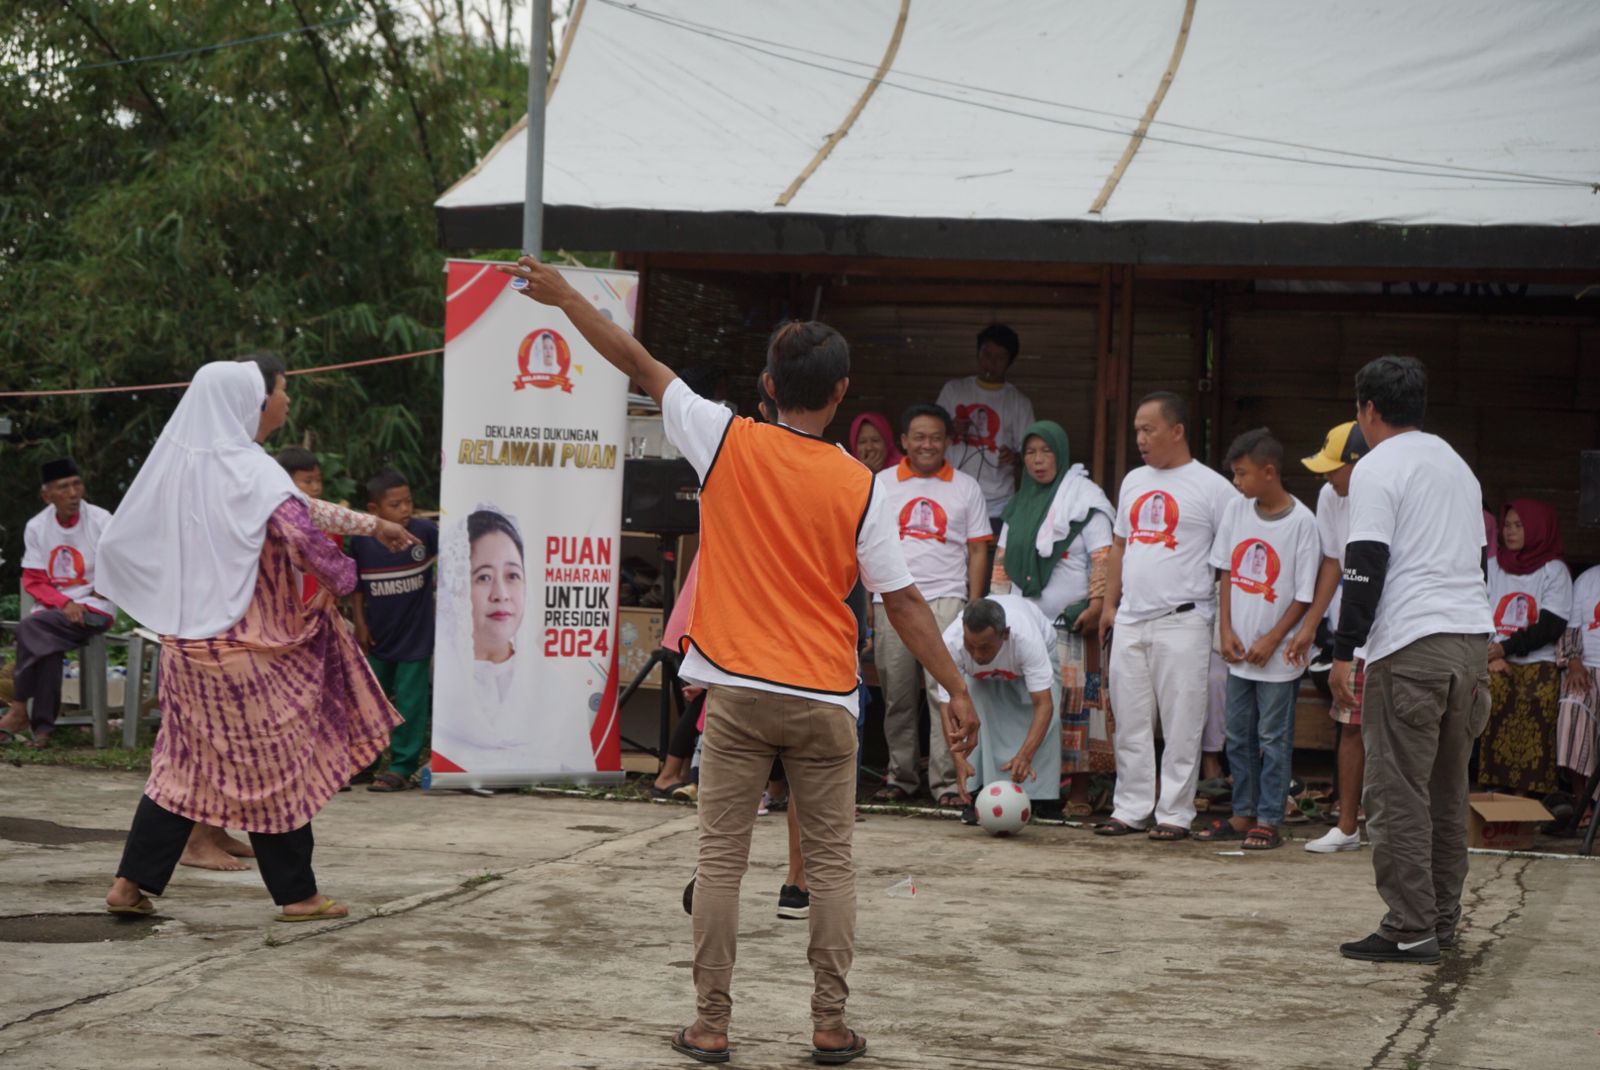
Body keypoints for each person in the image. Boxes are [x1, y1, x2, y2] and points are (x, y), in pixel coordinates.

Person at [501, 254, 979, 1067]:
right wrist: (955, 686)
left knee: (720, 862)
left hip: (738, 694)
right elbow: (900, 602)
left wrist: (560, 298)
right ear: (840, 391)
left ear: (768, 382)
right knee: (829, 868)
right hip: (827, 699)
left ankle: (711, 1025)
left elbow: (635, 358)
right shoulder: (864, 485)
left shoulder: (724, 438)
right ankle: (829, 1026)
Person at [95, 357, 418, 921]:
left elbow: (298, 509)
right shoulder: (251, 468)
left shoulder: (183, 469)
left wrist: (371, 525)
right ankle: (299, 895)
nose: (286, 401)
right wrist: (341, 579)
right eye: (280, 391)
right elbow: (300, 531)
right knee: (280, 767)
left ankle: (130, 885)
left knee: (182, 768)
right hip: (248, 652)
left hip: (187, 650)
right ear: (251, 401)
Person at [1330, 355, 1492, 965]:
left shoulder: (1377, 467)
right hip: (1470, 642)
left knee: (1397, 791)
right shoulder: (1457, 465)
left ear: (1367, 410)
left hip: (1412, 645)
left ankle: (1409, 925)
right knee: (1448, 792)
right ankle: (1441, 921)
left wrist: (1345, 651)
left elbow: (1364, 563)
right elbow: (1476, 564)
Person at [1097, 392, 1238, 841]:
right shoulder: (1134, 480)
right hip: (1132, 617)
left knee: (1181, 720)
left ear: (1177, 431)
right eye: (1137, 429)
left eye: (1148, 429)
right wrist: (1108, 604)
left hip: (1185, 618)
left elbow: (1230, 558)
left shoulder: (1214, 487)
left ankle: (1175, 812)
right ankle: (1131, 807)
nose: (1140, 438)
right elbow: (1121, 544)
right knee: (1131, 719)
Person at [1197, 430, 1318, 851]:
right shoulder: (1236, 510)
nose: (1236, 482)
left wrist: (1271, 639)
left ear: (1269, 472)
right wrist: (1225, 629)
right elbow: (1227, 571)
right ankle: (1242, 811)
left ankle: (1269, 817)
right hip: (1238, 650)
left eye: (1242, 473)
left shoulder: (1303, 522)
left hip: (1277, 656)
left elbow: (1304, 595)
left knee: (1272, 736)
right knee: (1239, 734)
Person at [990, 420, 1114, 818]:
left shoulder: (1085, 501)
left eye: (1046, 452)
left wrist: (1095, 605)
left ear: (1060, 454)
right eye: (1030, 452)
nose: (1038, 461)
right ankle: (1036, 790)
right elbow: (1002, 567)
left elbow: (1103, 559)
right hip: (1027, 630)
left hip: (1074, 626)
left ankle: (1078, 791)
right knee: (1032, 706)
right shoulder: (1019, 505)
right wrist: (998, 615)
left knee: (1078, 705)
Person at [871, 403, 991, 807]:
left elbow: (977, 551)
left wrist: (973, 606)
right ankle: (900, 777)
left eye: (935, 437)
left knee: (947, 695)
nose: (927, 444)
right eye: (918, 437)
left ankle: (946, 784)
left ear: (948, 442)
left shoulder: (966, 487)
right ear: (903, 441)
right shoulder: (881, 483)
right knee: (897, 696)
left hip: (947, 602)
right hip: (891, 600)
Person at [432, 506, 595, 774]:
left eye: (512, 576)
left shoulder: (557, 691)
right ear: (457, 586)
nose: (501, 594)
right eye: (483, 577)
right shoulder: (444, 686)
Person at [1287, 420, 1371, 854]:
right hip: (1352, 632)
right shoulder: (1328, 496)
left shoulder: (1384, 492)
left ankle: (1398, 828)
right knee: (1350, 725)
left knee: (1401, 733)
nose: (1325, 476)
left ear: (1359, 465)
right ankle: (1347, 827)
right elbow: (1333, 563)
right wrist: (1309, 625)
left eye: (1333, 468)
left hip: (1397, 630)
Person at [1, 459, 115, 749]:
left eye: (77, 484)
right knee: (45, 644)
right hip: (56, 613)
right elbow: (35, 580)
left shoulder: (102, 521)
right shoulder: (37, 527)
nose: (74, 493)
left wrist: (104, 586)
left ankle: (17, 708)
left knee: (30, 627)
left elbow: (121, 563)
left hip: (94, 609)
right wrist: (65, 603)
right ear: (47, 495)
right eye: (63, 487)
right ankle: (43, 731)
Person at [349, 468, 440, 793]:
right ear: (374, 510)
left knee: (410, 702)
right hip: (377, 635)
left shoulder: (425, 532)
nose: (405, 510)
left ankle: (401, 765)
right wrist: (359, 622)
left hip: (415, 637)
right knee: (369, 701)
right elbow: (357, 585)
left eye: (408, 502)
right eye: (396, 505)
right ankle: (365, 763)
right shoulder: (362, 542)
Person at [933, 595, 1061, 820]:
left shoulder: (1026, 639)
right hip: (977, 678)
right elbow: (947, 708)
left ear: (1005, 635)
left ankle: (1042, 800)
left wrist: (1025, 755)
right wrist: (958, 762)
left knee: (1048, 721)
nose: (976, 655)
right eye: (969, 646)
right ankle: (977, 795)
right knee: (973, 717)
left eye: (983, 647)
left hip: (1033, 659)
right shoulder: (951, 642)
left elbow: (1044, 705)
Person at [1480, 499, 1571, 796]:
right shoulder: (1494, 566)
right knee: (1492, 694)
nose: (1510, 531)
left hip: (1538, 660)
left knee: (1538, 699)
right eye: (1507, 525)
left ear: (1537, 529)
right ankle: (1495, 787)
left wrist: (1505, 649)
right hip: (1492, 656)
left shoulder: (1553, 570)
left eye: (1519, 525)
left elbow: (1551, 625)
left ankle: (1531, 792)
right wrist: (1491, 653)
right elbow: (1477, 610)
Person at [936, 324, 1036, 533]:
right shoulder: (954, 390)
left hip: (998, 503)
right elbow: (932, 436)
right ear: (977, 354)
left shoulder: (1018, 402)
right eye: (987, 354)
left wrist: (1015, 457)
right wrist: (951, 428)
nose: (991, 362)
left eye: (1000, 357)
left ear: (1010, 362)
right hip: (952, 495)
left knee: (992, 562)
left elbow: (1031, 452)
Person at [1553, 565, 1600, 836]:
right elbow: (1570, 631)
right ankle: (1583, 802)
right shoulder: (1587, 580)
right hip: (1587, 669)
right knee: (1572, 705)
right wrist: (1573, 662)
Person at [847, 411, 901, 475]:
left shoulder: (902, 469)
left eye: (875, 440)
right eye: (862, 442)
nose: (869, 447)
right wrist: (864, 472)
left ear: (887, 443)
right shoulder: (846, 470)